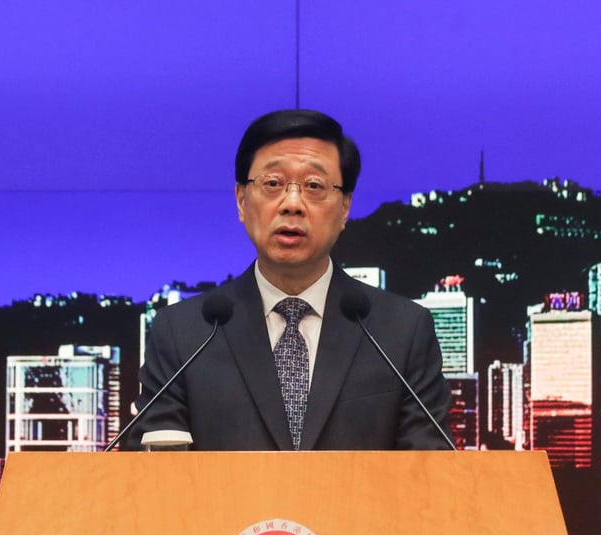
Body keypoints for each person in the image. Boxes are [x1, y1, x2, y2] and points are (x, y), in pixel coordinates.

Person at [128, 109, 452, 451]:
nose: (292, 204)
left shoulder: (401, 331)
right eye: (273, 184)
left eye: (314, 186)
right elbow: (150, 471)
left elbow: (429, 473)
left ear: (344, 208)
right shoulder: (185, 333)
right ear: (241, 200)